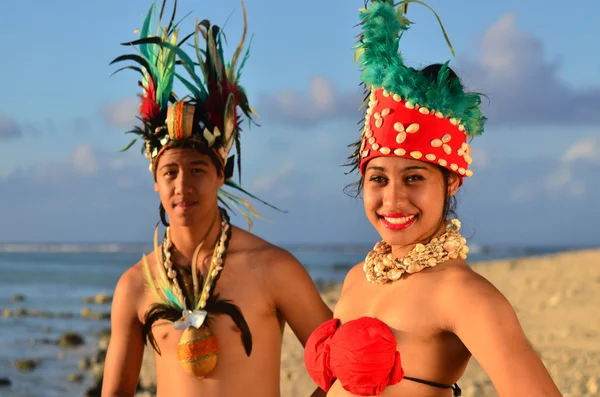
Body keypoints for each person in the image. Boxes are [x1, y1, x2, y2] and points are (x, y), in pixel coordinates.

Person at [303, 1, 563, 396]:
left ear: (452, 182)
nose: (393, 199)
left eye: (413, 178)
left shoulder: (463, 294)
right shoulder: (356, 279)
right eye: (378, 178)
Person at [100, 1, 331, 396]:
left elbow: (339, 368)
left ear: (222, 174)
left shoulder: (274, 268)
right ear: (154, 180)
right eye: (169, 172)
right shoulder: (136, 286)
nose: (182, 185)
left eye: (198, 170)